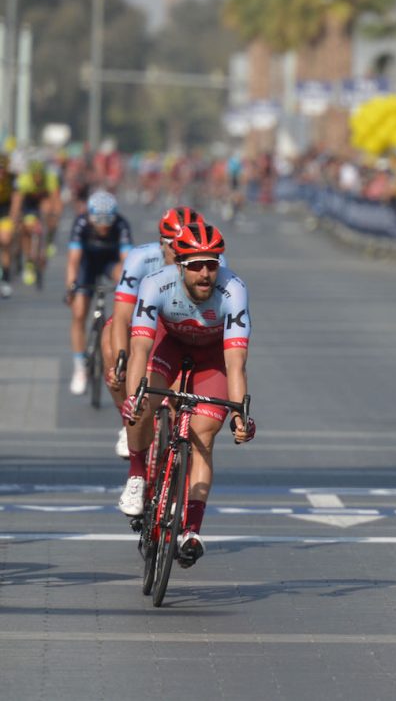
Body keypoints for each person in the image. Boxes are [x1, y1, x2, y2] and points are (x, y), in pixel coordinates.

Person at [117, 222, 254, 569]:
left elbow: (235, 364)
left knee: (203, 437)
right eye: (196, 265)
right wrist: (134, 396)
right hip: (168, 345)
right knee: (143, 404)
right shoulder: (155, 284)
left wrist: (240, 414)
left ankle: (191, 530)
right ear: (179, 265)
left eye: (212, 264)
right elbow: (139, 350)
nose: (206, 273)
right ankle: (137, 473)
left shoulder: (233, 290)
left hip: (211, 358)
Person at [104, 206, 203, 457]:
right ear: (161, 243)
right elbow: (123, 315)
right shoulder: (141, 258)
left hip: (181, 327)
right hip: (144, 320)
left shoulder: (206, 264)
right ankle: (127, 421)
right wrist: (120, 361)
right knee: (110, 341)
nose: (181, 252)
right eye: (174, 245)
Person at [66, 192, 132, 396]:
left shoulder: (121, 225)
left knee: (124, 275)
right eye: (99, 221)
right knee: (79, 313)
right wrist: (71, 286)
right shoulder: (82, 223)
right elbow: (74, 260)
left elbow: (128, 261)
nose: (104, 226)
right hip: (88, 264)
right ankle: (80, 367)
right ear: (90, 217)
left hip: (110, 263)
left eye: (107, 221)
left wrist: (129, 293)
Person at [11, 156, 62, 287]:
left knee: (49, 211)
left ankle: (49, 239)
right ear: (31, 174)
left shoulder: (50, 178)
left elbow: (56, 200)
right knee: (26, 227)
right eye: (36, 176)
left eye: (40, 176)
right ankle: (28, 260)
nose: (38, 179)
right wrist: (15, 218)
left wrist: (55, 217)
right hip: (28, 204)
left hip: (43, 202)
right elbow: (17, 203)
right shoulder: (24, 179)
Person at [0, 152, 14, 298]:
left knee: (5, 240)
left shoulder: (11, 179)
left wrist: (14, 217)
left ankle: (5, 279)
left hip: (5, 210)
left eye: (2, 169)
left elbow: (16, 200)